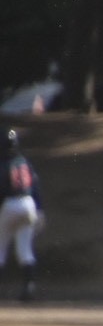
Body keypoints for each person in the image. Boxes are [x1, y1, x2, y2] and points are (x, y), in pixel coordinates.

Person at [0, 128, 42, 301]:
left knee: (1, 248)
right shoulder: (24, 161)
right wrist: (40, 209)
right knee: (25, 249)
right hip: (29, 204)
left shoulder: (3, 163)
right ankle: (29, 287)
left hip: (10, 203)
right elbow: (35, 185)